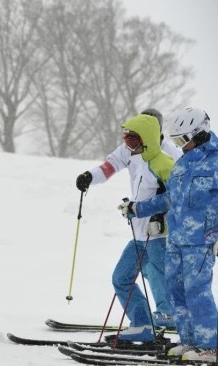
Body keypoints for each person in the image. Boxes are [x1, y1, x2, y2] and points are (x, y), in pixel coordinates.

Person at [119, 107, 218, 361]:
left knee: (197, 291)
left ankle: (210, 346)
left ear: (200, 133)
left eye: (183, 139)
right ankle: (189, 342)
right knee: (175, 291)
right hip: (176, 240)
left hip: (201, 241)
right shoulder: (184, 162)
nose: (180, 146)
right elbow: (169, 198)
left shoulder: (216, 162)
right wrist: (137, 208)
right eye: (176, 141)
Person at [75, 109, 182, 332]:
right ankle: (143, 324)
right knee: (122, 277)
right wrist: (89, 176)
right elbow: (110, 165)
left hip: (161, 233)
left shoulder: (168, 156)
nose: (128, 141)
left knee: (159, 272)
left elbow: (178, 195)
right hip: (140, 232)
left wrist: (144, 209)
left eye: (133, 136)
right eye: (128, 136)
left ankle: (171, 315)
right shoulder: (133, 151)